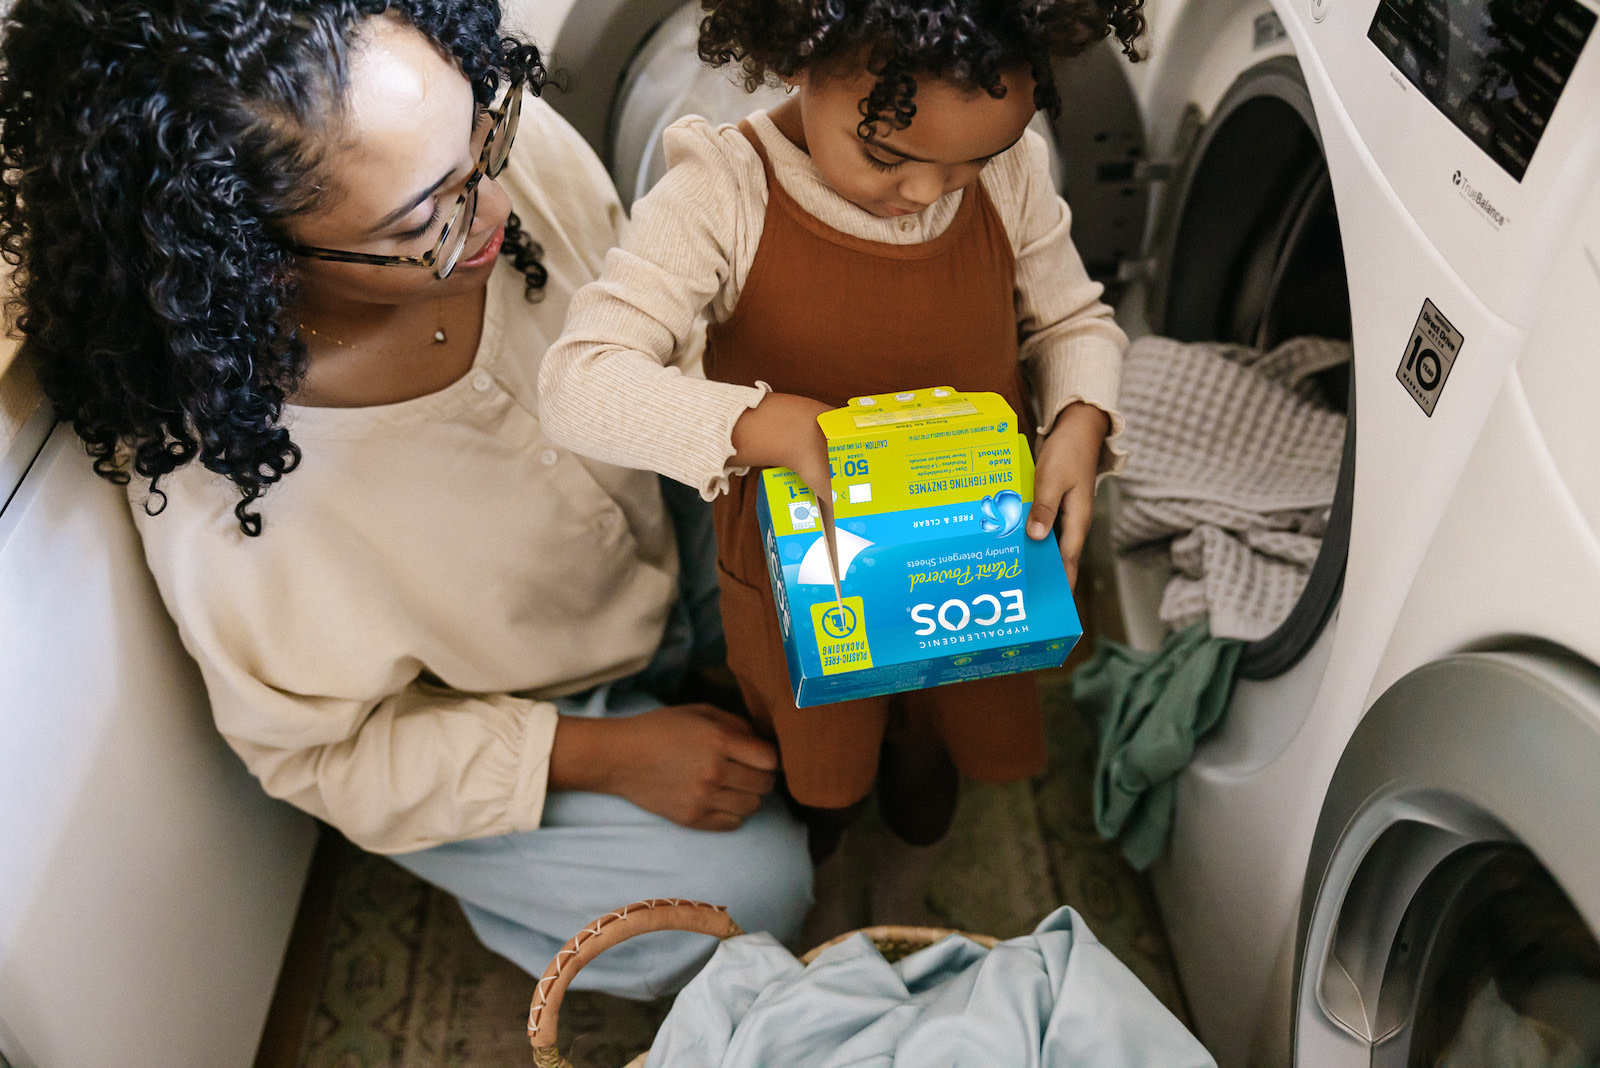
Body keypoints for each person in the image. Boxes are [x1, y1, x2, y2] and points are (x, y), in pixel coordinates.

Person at [0, 0, 811, 997]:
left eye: (485, 132)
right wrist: (596, 754)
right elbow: (323, 757)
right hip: (516, 703)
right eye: (423, 219)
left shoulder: (474, 167)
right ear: (248, 255)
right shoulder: (239, 501)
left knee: (867, 636)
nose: (495, 210)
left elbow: (660, 348)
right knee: (751, 897)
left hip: (653, 538)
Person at [538, 0, 1143, 923]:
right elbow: (579, 384)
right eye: (890, 158)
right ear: (798, 61)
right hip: (805, 573)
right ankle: (833, 909)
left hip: (972, 551)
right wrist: (765, 427)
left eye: (972, 160)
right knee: (823, 772)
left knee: (933, 753)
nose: (931, 193)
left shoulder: (1011, 168)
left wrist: (1079, 415)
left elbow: (1071, 318)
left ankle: (900, 902)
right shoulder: (722, 190)